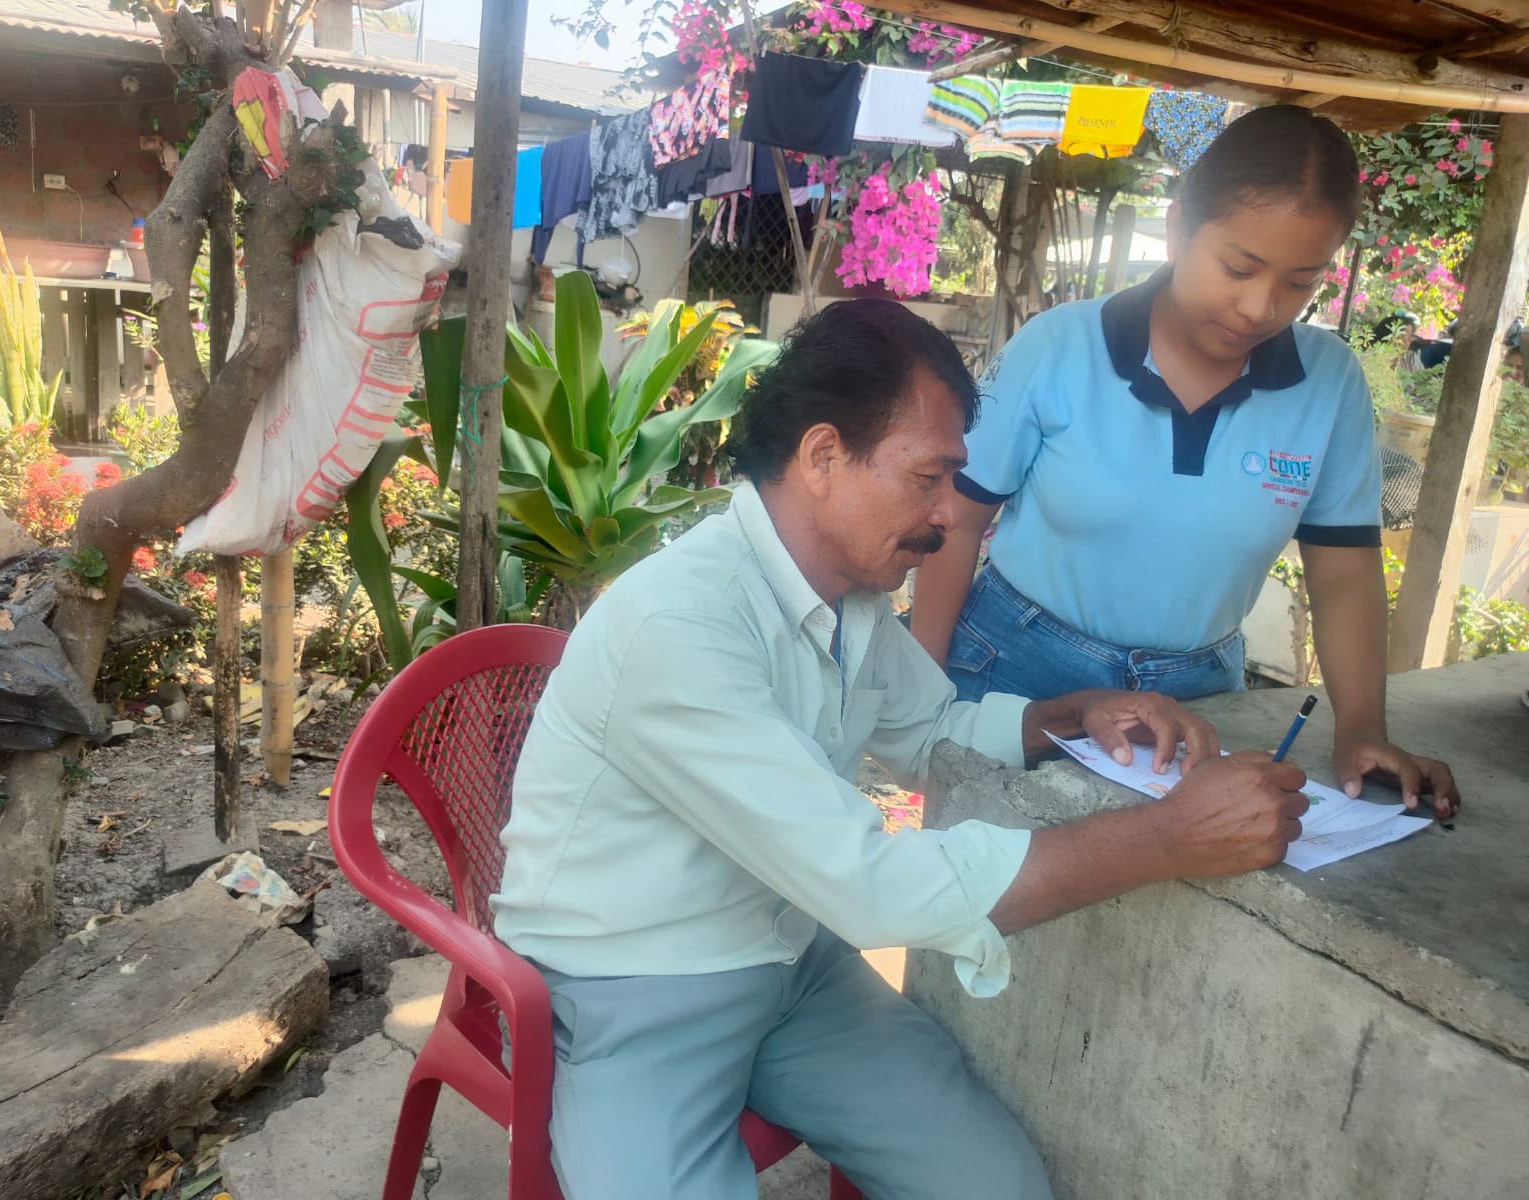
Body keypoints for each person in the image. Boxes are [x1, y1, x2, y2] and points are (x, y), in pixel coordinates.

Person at [492, 301, 1318, 1200]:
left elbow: (929, 734)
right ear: (821, 456)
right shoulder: (679, 626)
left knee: (995, 1189)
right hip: (633, 985)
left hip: (789, 962)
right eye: (929, 477)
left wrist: (1075, 713)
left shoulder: (844, 592)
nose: (949, 514)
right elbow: (870, 885)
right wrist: (1169, 838)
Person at [910, 106, 1458, 817]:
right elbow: (954, 521)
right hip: (1018, 672)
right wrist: (922, 692)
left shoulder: (1328, 384)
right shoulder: (1059, 349)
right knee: (990, 874)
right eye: (1238, 267)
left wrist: (1361, 730)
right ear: (1176, 230)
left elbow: (1345, 573)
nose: (1259, 306)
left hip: (1197, 700)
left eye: (1300, 282)